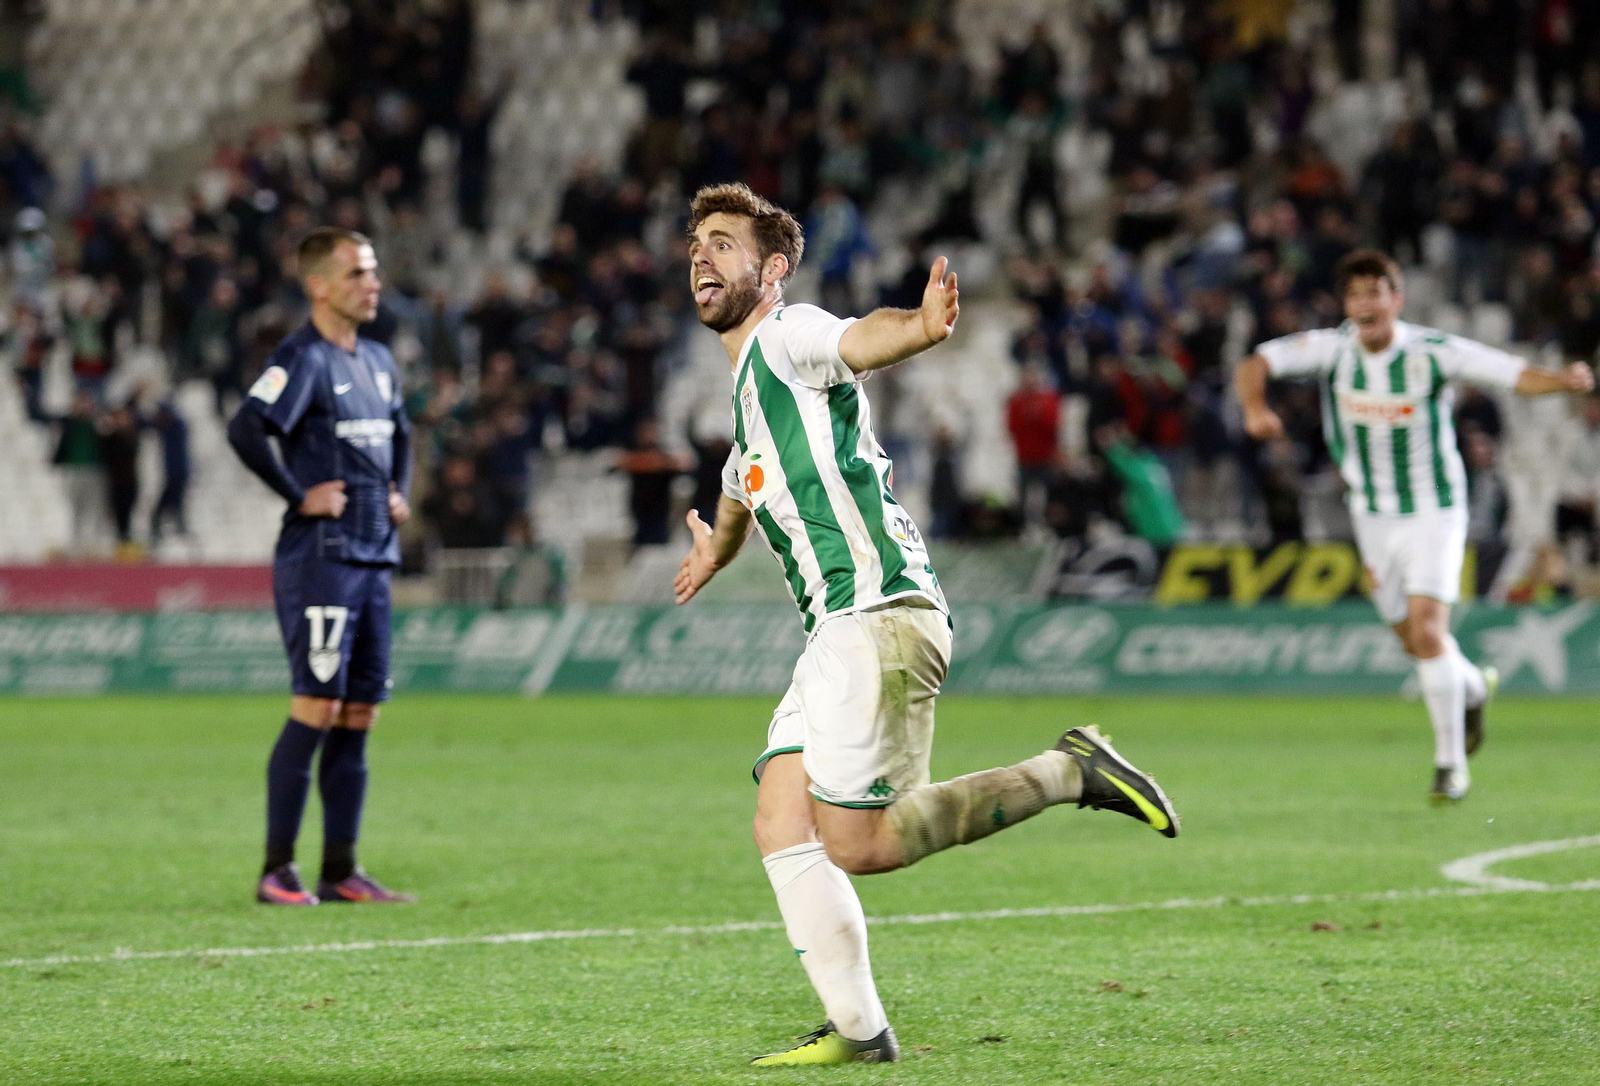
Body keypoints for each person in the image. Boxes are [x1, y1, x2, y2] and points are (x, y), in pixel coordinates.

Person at [672, 183, 1180, 1067]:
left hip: (876, 621)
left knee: (859, 845)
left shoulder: (790, 341)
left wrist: (917, 326)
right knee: (779, 819)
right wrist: (716, 547)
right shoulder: (752, 401)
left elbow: (855, 338)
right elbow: (738, 482)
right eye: (695, 245)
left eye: (723, 243)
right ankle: (861, 1033)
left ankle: (1068, 771)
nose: (701, 257)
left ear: (773, 269)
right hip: (838, 635)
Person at [1235, 250, 1594, 803]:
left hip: (1435, 511)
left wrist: (1563, 380)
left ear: (1396, 300)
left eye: (1376, 292)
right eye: (1355, 295)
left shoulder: (1431, 353)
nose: (1365, 304)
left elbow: (1511, 374)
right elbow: (1255, 362)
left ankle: (1451, 767)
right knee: (1415, 641)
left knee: (1428, 631)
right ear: (1347, 305)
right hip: (1372, 516)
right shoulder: (1333, 350)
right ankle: (1472, 686)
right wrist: (1256, 409)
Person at [225, 227, 415, 906]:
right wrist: (298, 494)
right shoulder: (300, 358)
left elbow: (403, 435)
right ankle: (276, 870)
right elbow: (247, 427)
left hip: (373, 558)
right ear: (319, 285)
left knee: (360, 711)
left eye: (373, 271)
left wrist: (401, 491)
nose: (374, 283)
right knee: (317, 702)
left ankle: (341, 871)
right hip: (322, 560)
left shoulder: (379, 361)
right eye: (359, 273)